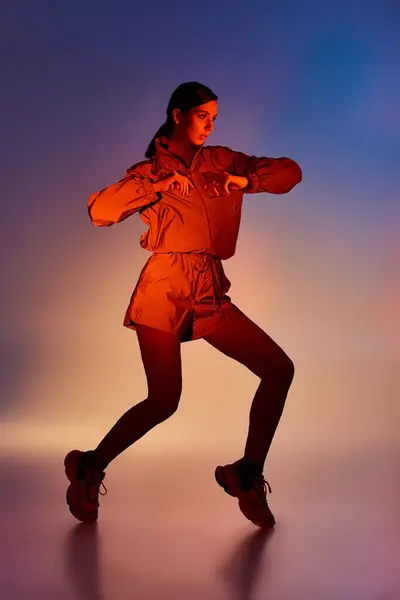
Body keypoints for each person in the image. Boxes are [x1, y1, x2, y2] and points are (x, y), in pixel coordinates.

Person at [64, 81, 302, 529]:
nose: (209, 125)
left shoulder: (223, 160)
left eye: (214, 118)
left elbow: (291, 173)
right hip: (164, 287)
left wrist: (246, 181)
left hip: (209, 288)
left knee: (278, 369)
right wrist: (155, 184)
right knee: (164, 399)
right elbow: (100, 211)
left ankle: (246, 473)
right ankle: (88, 467)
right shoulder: (149, 169)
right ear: (177, 115)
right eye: (201, 116)